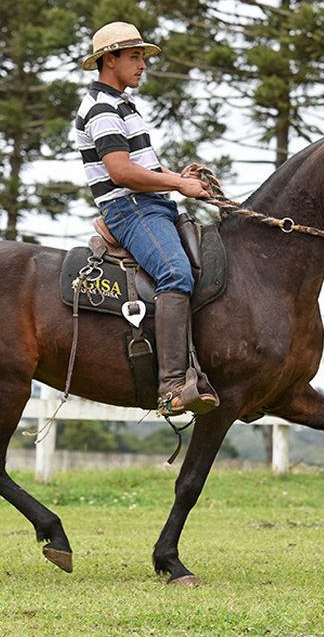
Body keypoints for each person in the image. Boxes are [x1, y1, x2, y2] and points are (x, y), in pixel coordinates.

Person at [73, 21, 218, 416]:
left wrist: (175, 179)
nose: (142, 65)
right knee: (175, 273)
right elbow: (120, 172)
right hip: (130, 209)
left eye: (143, 58)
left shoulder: (123, 104)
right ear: (109, 60)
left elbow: (140, 167)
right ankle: (171, 387)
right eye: (134, 57)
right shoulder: (102, 108)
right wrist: (177, 184)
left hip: (150, 205)